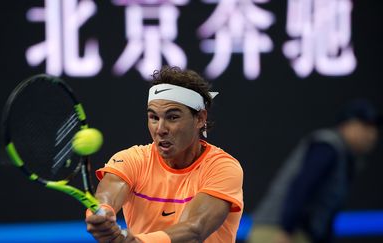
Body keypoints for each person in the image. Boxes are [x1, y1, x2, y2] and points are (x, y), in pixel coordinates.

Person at [85, 66, 244, 243]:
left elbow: (194, 230)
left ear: (200, 119)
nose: (160, 129)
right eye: (154, 117)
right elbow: (106, 197)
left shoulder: (223, 168)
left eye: (173, 117)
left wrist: (138, 242)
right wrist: (101, 214)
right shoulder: (131, 160)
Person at [247, 99, 381, 243]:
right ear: (346, 125)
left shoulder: (347, 158)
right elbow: (302, 185)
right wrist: (286, 230)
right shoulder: (327, 146)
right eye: (365, 126)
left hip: (296, 232)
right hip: (277, 231)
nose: (372, 135)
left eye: (375, 129)